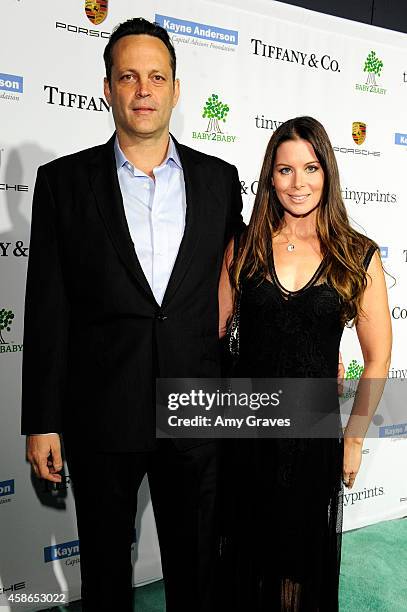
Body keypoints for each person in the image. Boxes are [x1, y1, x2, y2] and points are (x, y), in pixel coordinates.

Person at [21, 18, 243, 612]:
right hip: (102, 412)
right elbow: (46, 307)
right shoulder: (62, 182)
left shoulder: (221, 182)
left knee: (198, 571)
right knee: (105, 576)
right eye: (128, 77)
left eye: (155, 77)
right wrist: (41, 419)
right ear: (107, 89)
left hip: (197, 412)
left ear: (175, 89)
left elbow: (245, 284)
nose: (143, 90)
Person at [218, 116, 392, 611]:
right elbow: (214, 336)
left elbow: (378, 356)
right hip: (248, 435)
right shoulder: (245, 246)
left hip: (312, 440)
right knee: (246, 561)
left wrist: (354, 437)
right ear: (269, 177)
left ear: (327, 173)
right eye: (285, 170)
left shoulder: (356, 256)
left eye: (310, 168)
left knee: (298, 568)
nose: (299, 183)